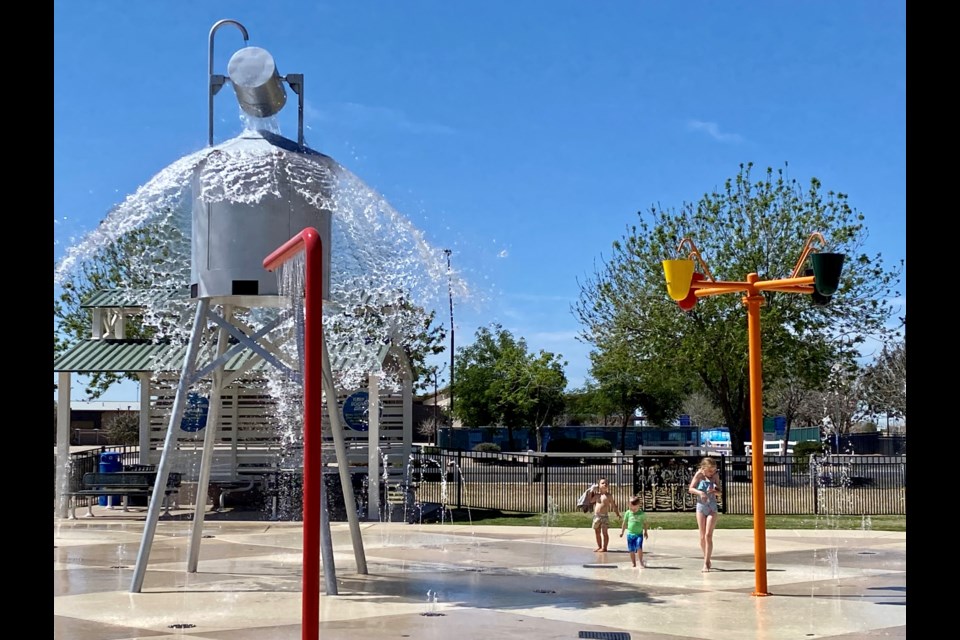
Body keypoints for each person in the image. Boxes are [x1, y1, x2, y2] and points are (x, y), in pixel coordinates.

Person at [688, 457, 721, 571]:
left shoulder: (715, 476)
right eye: (710, 471)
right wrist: (700, 492)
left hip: (712, 506)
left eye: (714, 470)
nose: (712, 473)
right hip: (701, 506)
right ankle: (706, 557)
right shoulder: (699, 475)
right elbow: (691, 489)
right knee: (702, 536)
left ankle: (706, 562)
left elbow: (719, 492)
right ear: (703, 468)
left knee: (708, 535)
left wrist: (715, 491)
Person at [591, 477, 620, 552]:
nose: (605, 484)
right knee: (597, 532)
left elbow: (614, 505)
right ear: (599, 485)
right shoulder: (597, 495)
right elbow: (591, 500)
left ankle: (604, 547)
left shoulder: (608, 495)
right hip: (596, 516)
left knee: (604, 532)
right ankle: (599, 546)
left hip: (604, 517)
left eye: (606, 483)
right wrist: (592, 491)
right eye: (602, 483)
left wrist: (617, 513)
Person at [619, 496, 649, 567]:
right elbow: (624, 523)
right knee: (631, 550)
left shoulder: (641, 514)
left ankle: (641, 562)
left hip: (639, 534)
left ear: (638, 505)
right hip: (630, 535)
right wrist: (622, 532)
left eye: (634, 508)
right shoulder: (628, 513)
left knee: (639, 547)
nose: (633, 509)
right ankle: (633, 563)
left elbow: (645, 523)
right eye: (631, 507)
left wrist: (645, 532)